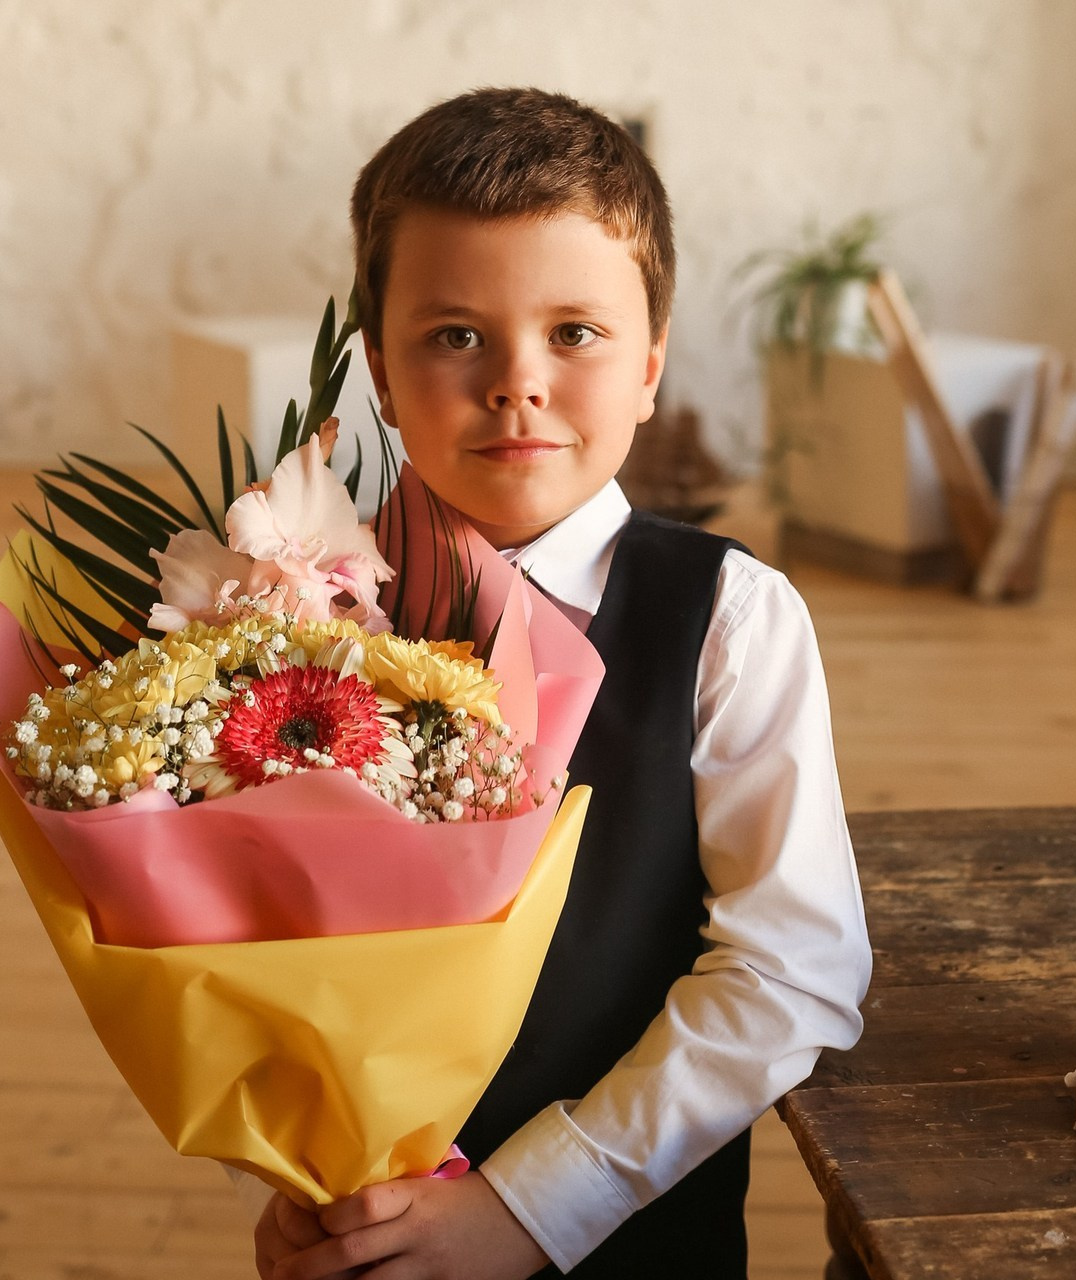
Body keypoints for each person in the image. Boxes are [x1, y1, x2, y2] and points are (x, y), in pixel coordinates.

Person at [252, 86, 870, 1280]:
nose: (515, 382)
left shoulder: (730, 623)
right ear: (378, 369)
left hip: (636, 1249)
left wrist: (530, 1205)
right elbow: (250, 944)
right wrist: (297, 1182)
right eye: (454, 335)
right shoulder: (289, 614)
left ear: (650, 364)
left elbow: (789, 971)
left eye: (574, 332)